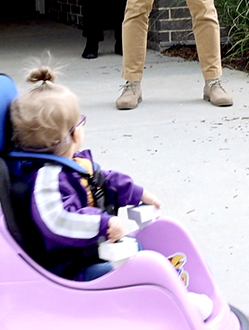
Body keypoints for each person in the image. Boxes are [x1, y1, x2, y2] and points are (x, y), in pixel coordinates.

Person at [9, 66, 161, 280]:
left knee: (137, 252)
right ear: (66, 136)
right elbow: (59, 220)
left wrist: (137, 193)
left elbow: (101, 179)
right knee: (130, 272)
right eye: (78, 122)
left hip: (89, 252)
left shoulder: (72, 162)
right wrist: (103, 223)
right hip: (70, 267)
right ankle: (168, 301)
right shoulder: (46, 179)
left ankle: (169, 295)